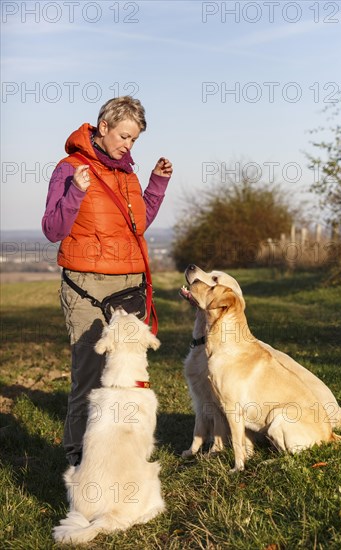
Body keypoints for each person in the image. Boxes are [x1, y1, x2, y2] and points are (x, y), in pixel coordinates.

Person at [42, 96, 173, 466]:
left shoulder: (127, 174)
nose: (128, 146)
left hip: (129, 286)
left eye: (134, 140)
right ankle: (79, 456)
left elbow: (137, 225)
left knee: (126, 375)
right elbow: (52, 229)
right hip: (87, 286)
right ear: (103, 127)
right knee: (90, 373)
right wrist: (76, 192)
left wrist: (157, 184)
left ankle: (121, 452)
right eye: (125, 137)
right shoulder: (69, 168)